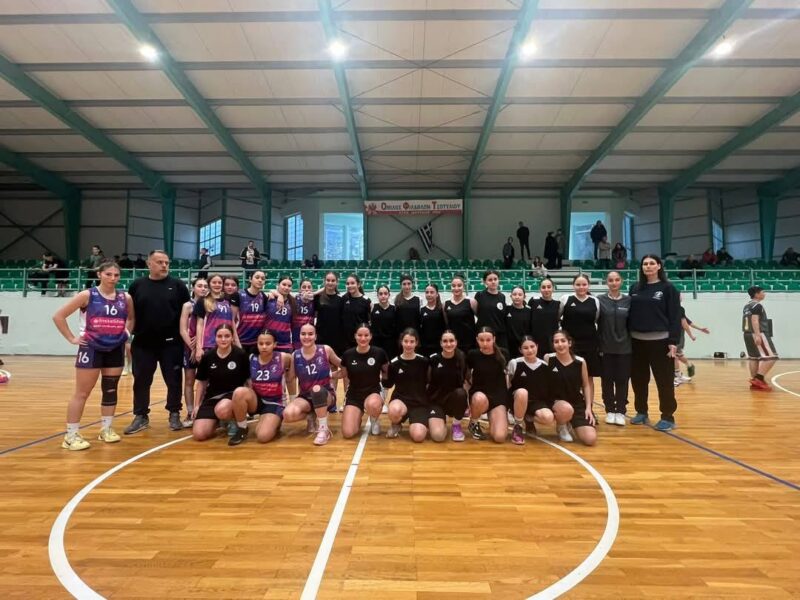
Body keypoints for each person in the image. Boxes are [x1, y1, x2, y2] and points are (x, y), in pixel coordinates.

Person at [52, 261, 133, 450]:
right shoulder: (87, 295)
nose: (113, 278)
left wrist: (126, 333)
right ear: (99, 274)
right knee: (82, 393)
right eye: (108, 274)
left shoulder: (125, 297)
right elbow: (58, 316)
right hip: (91, 347)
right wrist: (72, 338)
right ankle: (71, 435)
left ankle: (106, 429)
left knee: (110, 389)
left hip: (115, 348)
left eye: (116, 275)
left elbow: (131, 318)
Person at [125, 250, 190, 435]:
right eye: (160, 262)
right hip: (143, 343)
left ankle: (174, 413)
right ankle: (141, 416)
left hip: (171, 343)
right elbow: (131, 315)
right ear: (149, 264)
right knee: (141, 381)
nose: (164, 265)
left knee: (174, 380)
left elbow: (187, 315)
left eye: (166, 262)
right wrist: (127, 337)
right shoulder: (137, 286)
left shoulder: (178, 286)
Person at [628, 255, 681, 431]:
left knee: (664, 381)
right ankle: (641, 411)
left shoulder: (668, 288)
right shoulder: (635, 287)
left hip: (661, 342)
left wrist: (673, 341)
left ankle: (668, 416)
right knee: (639, 380)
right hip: (636, 342)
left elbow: (675, 316)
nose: (648, 266)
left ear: (659, 266)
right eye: (645, 264)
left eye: (652, 263)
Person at [191, 324, 252, 446]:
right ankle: (219, 421)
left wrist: (248, 404)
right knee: (199, 434)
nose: (223, 339)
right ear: (215, 338)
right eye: (220, 336)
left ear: (232, 337)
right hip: (212, 398)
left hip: (232, 397)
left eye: (227, 336)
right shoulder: (208, 356)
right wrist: (196, 405)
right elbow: (202, 383)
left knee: (222, 409)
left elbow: (248, 381)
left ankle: (233, 420)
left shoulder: (240, 355)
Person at [282, 323, 342, 446]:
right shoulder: (295, 355)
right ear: (299, 336)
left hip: (326, 395)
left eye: (310, 334)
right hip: (306, 396)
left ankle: (324, 429)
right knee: (288, 415)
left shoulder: (325, 349)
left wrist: (333, 375)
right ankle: (312, 414)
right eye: (303, 334)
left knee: (317, 390)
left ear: (315, 336)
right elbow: (290, 378)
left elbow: (344, 366)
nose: (306, 337)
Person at [545, 331, 597, 446]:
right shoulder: (548, 359)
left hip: (576, 403)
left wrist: (588, 408)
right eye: (556, 342)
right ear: (553, 345)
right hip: (557, 402)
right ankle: (561, 426)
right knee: (566, 409)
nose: (560, 344)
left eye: (563, 341)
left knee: (590, 439)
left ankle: (571, 422)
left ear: (569, 343)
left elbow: (586, 385)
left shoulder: (580, 362)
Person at [244, 330, 294, 444]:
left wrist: (292, 398)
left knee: (262, 436)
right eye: (261, 343)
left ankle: (274, 420)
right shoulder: (251, 358)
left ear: (275, 344)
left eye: (268, 343)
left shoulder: (283, 357)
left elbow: (291, 374)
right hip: (257, 401)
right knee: (240, 392)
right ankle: (241, 428)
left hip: (275, 403)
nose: (264, 346)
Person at [339, 324, 389, 439]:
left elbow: (387, 372)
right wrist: (327, 375)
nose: (363, 338)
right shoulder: (348, 354)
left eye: (366, 335)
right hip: (354, 395)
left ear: (371, 336)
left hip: (373, 392)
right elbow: (343, 374)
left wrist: (385, 392)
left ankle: (374, 419)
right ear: (355, 336)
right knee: (348, 433)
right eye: (360, 335)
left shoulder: (379, 353)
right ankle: (357, 415)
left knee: (373, 404)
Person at [384, 329, 431, 441]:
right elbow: (388, 384)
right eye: (406, 341)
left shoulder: (424, 361)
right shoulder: (394, 363)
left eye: (412, 341)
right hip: (401, 401)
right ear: (401, 342)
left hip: (419, 403)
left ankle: (418, 422)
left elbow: (429, 383)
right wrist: (383, 374)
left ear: (416, 343)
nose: (408, 345)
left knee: (418, 436)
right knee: (394, 410)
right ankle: (396, 424)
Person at [598, 271, 631, 426]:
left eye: (617, 280)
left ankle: (621, 411)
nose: (614, 283)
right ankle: (610, 410)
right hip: (606, 348)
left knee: (622, 380)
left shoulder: (629, 301)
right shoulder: (600, 300)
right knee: (607, 380)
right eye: (611, 280)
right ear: (607, 282)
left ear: (621, 281)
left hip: (625, 348)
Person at [466, 327, 510, 443]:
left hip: (498, 398)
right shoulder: (472, 354)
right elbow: (467, 377)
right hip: (480, 396)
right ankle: (473, 423)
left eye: (488, 340)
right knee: (479, 398)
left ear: (494, 339)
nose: (485, 343)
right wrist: (468, 399)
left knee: (499, 437)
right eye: (481, 340)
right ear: (477, 340)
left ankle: (494, 420)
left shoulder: (504, 353)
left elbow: (508, 377)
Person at [507, 336, 552, 444]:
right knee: (522, 392)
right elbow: (507, 385)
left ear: (537, 346)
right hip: (517, 400)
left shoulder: (544, 365)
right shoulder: (514, 363)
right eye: (525, 348)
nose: (530, 350)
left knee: (548, 418)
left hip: (535, 402)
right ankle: (518, 426)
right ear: (520, 350)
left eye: (532, 346)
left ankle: (528, 419)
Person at [427, 331, 469, 442]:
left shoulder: (461, 358)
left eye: (451, 341)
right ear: (441, 343)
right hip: (436, 401)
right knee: (438, 436)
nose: (448, 344)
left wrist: (467, 404)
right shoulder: (434, 359)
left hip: (453, 400)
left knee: (461, 393)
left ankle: (456, 425)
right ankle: (441, 420)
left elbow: (466, 381)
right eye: (445, 341)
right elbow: (427, 382)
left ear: (456, 342)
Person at [179, 277, 209, 428]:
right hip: (188, 348)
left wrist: (199, 345)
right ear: (193, 288)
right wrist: (192, 348)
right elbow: (183, 329)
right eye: (200, 286)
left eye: (205, 286)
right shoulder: (187, 305)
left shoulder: (210, 304)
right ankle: (190, 412)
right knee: (189, 381)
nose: (203, 288)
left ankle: (204, 410)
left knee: (206, 381)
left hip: (204, 346)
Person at [559, 274, 601, 380]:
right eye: (578, 284)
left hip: (589, 344)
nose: (581, 287)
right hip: (571, 344)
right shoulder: (565, 299)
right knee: (571, 375)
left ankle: (588, 393)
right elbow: (557, 317)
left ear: (588, 285)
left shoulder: (595, 301)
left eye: (584, 284)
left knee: (588, 376)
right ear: (573, 285)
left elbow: (595, 319)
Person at [194, 274, 240, 364]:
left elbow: (232, 323)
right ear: (209, 284)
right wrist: (198, 347)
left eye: (219, 282)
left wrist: (237, 343)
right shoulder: (203, 301)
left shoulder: (228, 300)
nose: (217, 285)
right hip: (209, 344)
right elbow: (199, 325)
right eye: (214, 282)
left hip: (227, 344)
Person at [742, 285, 779, 391]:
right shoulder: (757, 306)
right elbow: (755, 320)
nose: (764, 294)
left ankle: (755, 382)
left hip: (747, 333)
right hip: (758, 333)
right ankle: (759, 379)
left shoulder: (747, 306)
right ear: (757, 294)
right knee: (771, 357)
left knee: (754, 358)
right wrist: (758, 335)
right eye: (763, 292)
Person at [229, 270, 268, 356]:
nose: (260, 280)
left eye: (263, 278)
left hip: (257, 342)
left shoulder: (263, 296)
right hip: (241, 340)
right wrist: (236, 341)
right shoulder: (238, 295)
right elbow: (231, 320)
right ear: (250, 279)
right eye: (257, 277)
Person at [673, 306, 710, 387]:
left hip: (677, 336)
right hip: (675, 336)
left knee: (677, 355)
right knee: (675, 356)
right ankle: (677, 375)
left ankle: (682, 371)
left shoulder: (679, 309)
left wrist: (700, 329)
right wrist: (691, 335)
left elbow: (688, 322)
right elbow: (685, 324)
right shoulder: (675, 308)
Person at [474, 269, 508, 351]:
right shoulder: (480, 295)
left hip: (499, 334)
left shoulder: (502, 296)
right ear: (485, 282)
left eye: (495, 279)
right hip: (484, 334)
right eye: (490, 280)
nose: (493, 282)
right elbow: (476, 312)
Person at [529, 278, 560, 357]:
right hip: (536, 343)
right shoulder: (533, 302)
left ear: (553, 288)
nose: (546, 289)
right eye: (543, 287)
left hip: (552, 343)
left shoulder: (558, 304)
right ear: (540, 289)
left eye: (549, 287)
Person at [445, 275, 476, 352]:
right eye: (453, 286)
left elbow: (480, 319)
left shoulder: (471, 302)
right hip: (452, 343)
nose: (456, 288)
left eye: (459, 285)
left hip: (469, 343)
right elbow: (446, 322)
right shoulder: (445, 304)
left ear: (464, 287)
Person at [341, 274, 372, 351]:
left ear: (358, 284)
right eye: (348, 284)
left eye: (352, 283)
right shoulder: (344, 298)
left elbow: (369, 321)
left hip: (360, 339)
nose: (350, 285)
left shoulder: (366, 301)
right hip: (346, 339)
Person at [266, 275, 295, 353]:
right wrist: (278, 295)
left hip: (285, 343)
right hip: (269, 343)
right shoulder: (269, 298)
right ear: (278, 285)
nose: (286, 287)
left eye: (289, 286)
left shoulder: (293, 302)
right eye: (284, 284)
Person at [371, 285, 398, 360]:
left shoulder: (394, 309)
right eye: (380, 294)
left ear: (389, 295)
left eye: (385, 294)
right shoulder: (372, 307)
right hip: (376, 342)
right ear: (377, 295)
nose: (383, 296)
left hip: (390, 342)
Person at [419, 283, 446, 357]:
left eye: (432, 292)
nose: (429, 294)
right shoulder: (421, 310)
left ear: (437, 294)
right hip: (425, 346)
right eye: (427, 292)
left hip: (439, 346)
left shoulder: (442, 309)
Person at [505, 286, 532, 359]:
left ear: (524, 297)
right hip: (509, 347)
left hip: (524, 346)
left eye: (520, 295)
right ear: (511, 296)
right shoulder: (506, 309)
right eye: (514, 294)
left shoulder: (529, 311)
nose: (517, 297)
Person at [292, 278, 316, 350]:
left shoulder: (315, 300)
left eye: (309, 287)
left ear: (312, 289)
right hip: (296, 335)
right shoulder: (294, 299)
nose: (306, 289)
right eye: (304, 287)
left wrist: (314, 294)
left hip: (310, 336)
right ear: (299, 289)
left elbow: (324, 289)